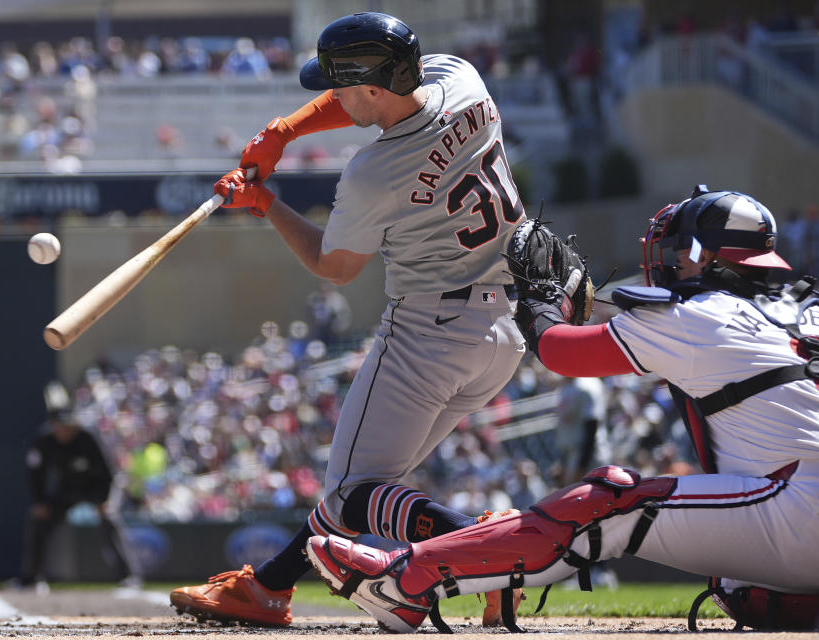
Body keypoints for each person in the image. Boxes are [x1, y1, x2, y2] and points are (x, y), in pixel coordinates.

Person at [304, 186, 819, 632]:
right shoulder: (803, 305)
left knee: (611, 500)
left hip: (801, 513)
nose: (666, 263)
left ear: (703, 256)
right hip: (797, 511)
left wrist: (543, 299)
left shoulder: (702, 315)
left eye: (675, 252)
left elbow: (559, 351)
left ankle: (405, 580)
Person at [170, 11, 529, 628]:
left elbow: (334, 268)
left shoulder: (374, 173)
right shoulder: (464, 79)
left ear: (371, 87)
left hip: (426, 336)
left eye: (340, 86)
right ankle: (268, 588)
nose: (329, 98)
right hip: (502, 333)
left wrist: (266, 204)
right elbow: (377, 101)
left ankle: (486, 552)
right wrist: (284, 132)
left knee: (351, 495)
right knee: (363, 490)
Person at [17, 383, 142, 590]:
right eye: (60, 427)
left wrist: (103, 501)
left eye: (68, 426)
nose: (64, 431)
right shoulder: (44, 441)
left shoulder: (87, 438)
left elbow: (106, 472)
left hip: (94, 487)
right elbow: (35, 473)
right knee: (37, 520)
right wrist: (39, 501)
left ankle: (129, 576)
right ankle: (31, 578)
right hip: (66, 488)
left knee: (110, 520)